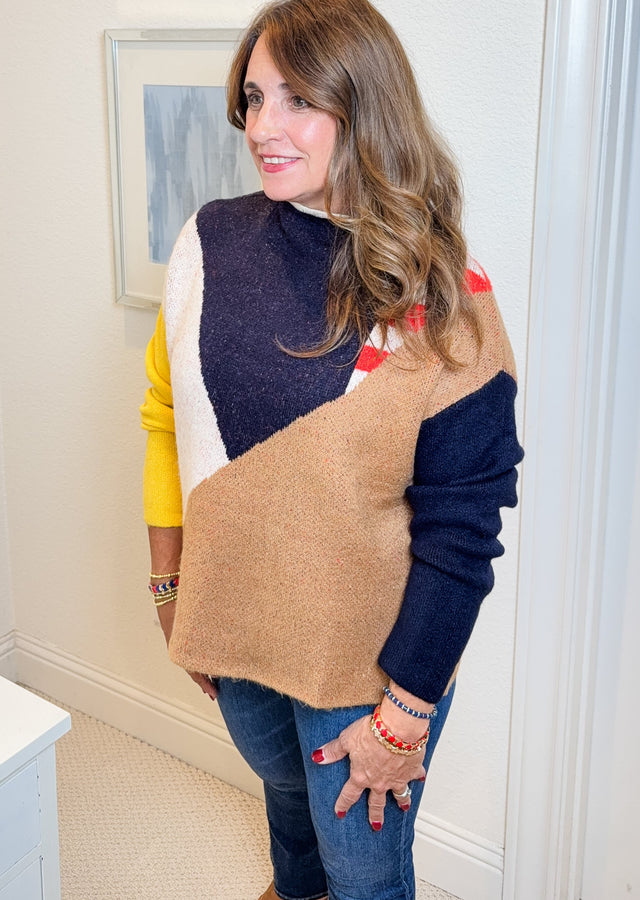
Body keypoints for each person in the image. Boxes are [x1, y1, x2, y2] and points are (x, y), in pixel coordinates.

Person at [140, 1, 523, 897]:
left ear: (367, 110)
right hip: (231, 621)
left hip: (369, 665)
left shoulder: (446, 301)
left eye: (297, 101)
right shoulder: (205, 242)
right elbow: (165, 416)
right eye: (253, 98)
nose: (262, 128)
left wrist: (405, 712)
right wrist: (171, 586)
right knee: (285, 795)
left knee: (365, 872)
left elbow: (462, 527)